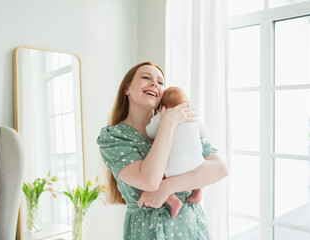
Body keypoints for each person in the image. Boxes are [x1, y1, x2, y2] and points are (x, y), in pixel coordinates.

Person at [97, 62, 228, 240]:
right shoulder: (114, 136)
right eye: (146, 77)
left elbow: (220, 168)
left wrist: (168, 187)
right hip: (146, 231)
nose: (154, 84)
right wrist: (168, 123)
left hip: (191, 227)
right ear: (126, 88)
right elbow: (149, 180)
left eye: (160, 82)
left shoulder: (182, 125)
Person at [145, 86, 206, 218]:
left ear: (162, 107)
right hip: (197, 164)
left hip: (173, 166)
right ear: (187, 104)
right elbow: (203, 133)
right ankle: (198, 190)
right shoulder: (193, 115)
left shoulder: (162, 116)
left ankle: (172, 200)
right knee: (199, 169)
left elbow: (149, 132)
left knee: (157, 178)